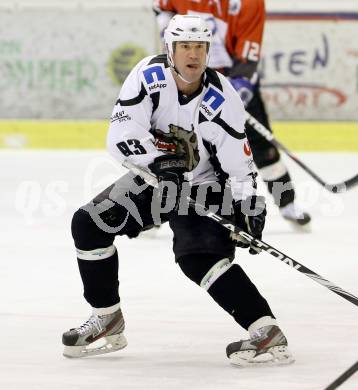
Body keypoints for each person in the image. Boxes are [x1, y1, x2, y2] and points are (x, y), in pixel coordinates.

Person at [62, 15, 293, 367]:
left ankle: (265, 329)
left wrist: (250, 207)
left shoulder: (222, 96)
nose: (193, 54)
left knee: (198, 257)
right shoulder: (147, 76)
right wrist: (159, 164)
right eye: (185, 46)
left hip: (205, 184)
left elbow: (239, 162)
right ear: (170, 50)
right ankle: (107, 319)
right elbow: (121, 137)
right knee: (89, 224)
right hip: (155, 178)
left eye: (200, 47)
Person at [153, 0, 311, 226]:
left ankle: (287, 203)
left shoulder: (249, 4)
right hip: (185, 78)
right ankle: (158, 210)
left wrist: (239, 87)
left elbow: (247, 56)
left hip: (230, 79)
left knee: (262, 147)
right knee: (176, 144)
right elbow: (162, 7)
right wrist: (168, 34)